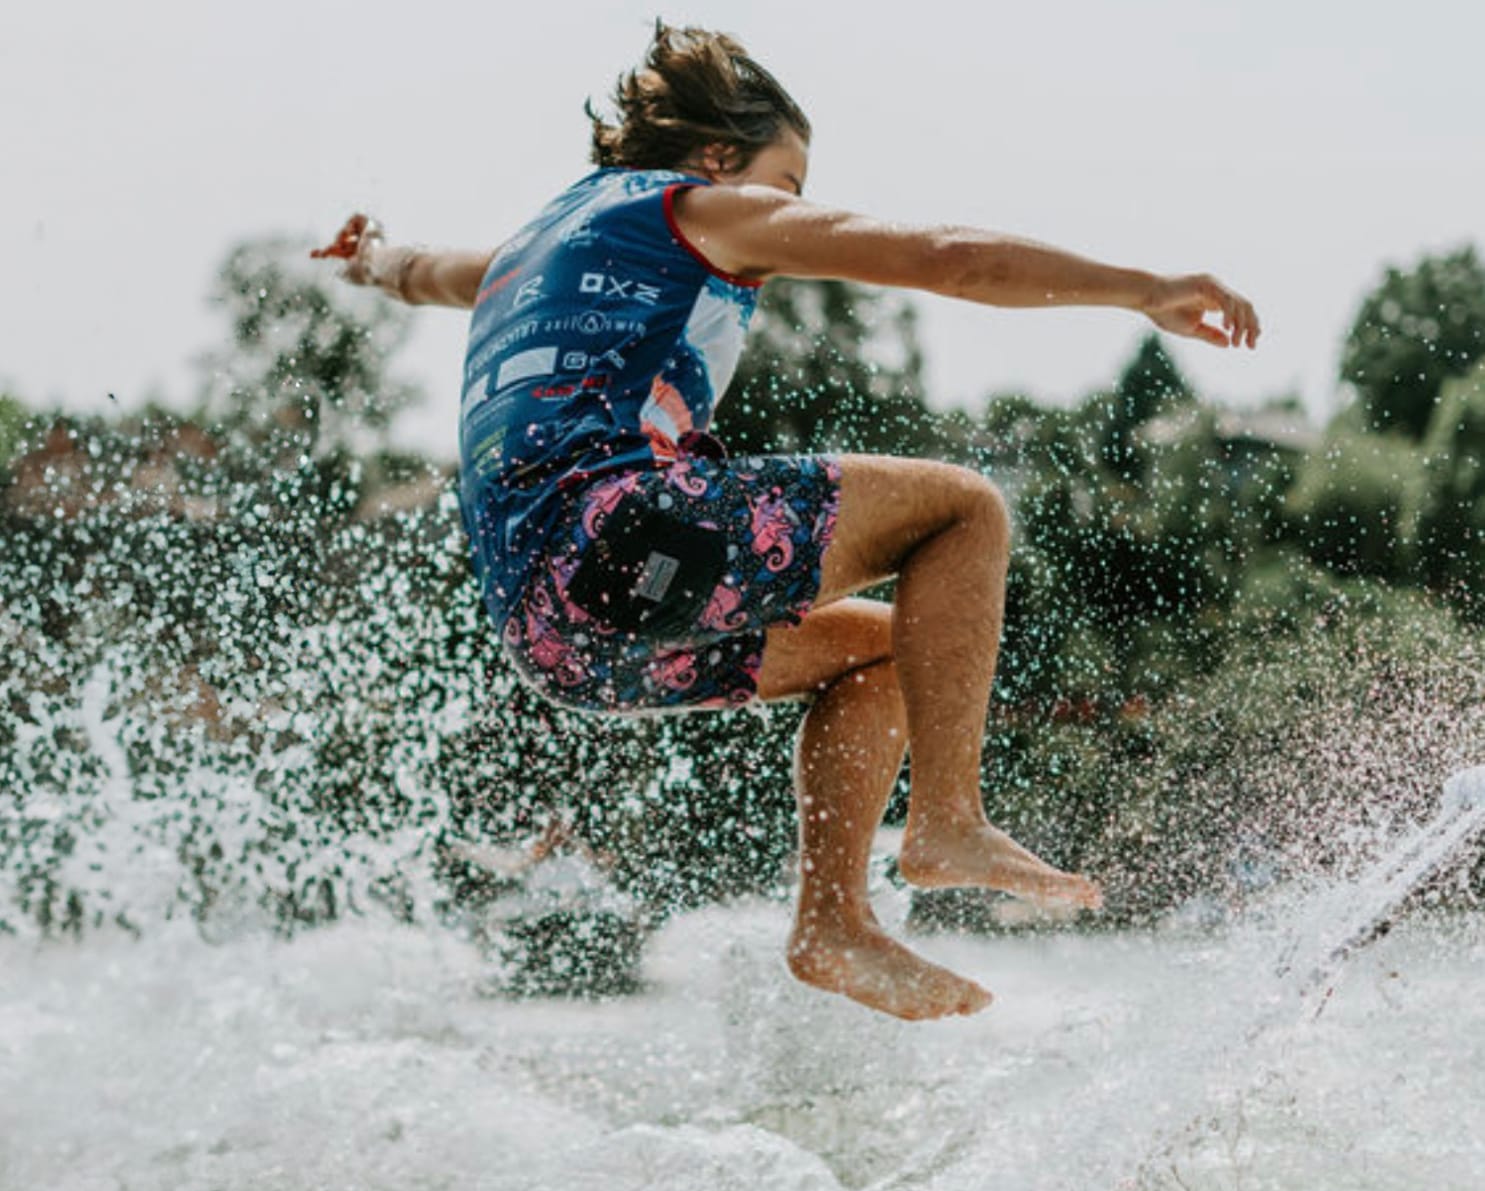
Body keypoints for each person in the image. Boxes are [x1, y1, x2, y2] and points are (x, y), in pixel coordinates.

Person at [313, 22, 1260, 1023]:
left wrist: (374, 257)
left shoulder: (524, 252)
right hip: (623, 531)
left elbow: (427, 274)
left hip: (553, 633)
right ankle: (947, 819)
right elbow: (949, 258)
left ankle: (833, 925)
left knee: (899, 655)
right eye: (786, 182)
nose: (787, 213)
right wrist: (1141, 289)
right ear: (718, 160)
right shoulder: (691, 210)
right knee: (963, 511)